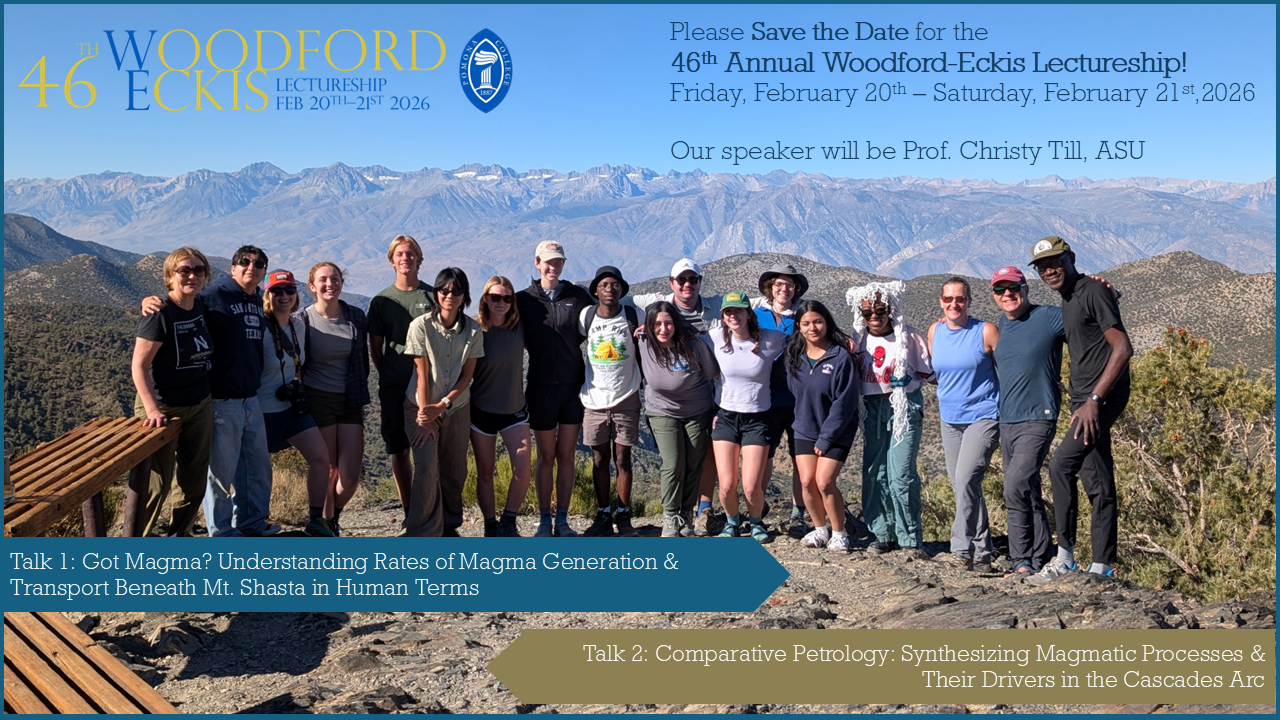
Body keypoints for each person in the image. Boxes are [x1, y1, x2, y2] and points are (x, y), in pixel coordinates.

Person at [146, 245, 274, 537]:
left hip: (250, 398)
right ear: (232, 268)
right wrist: (152, 302)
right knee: (218, 474)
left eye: (259, 264)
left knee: (256, 470)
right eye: (244, 262)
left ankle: (252, 525)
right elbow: (181, 300)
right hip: (220, 399)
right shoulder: (213, 294)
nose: (251, 267)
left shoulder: (255, 297)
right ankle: (221, 532)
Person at [1027, 236, 1133, 584]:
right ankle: (1103, 565)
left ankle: (1065, 558)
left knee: (1060, 466)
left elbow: (1122, 349)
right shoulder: (1072, 297)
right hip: (1083, 398)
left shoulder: (1090, 290)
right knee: (1098, 479)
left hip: (1099, 400)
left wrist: (1094, 401)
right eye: (1042, 266)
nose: (1049, 270)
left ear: (1071, 257)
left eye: (1055, 262)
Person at [130, 247, 215, 536]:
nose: (192, 275)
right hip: (162, 407)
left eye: (198, 270)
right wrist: (152, 410)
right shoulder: (159, 314)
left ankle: (181, 534)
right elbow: (139, 367)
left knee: (194, 478)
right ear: (169, 277)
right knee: (157, 483)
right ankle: (132, 541)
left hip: (199, 403)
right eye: (184, 271)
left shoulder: (201, 305)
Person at [846, 281, 934, 556]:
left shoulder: (908, 337)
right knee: (874, 473)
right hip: (871, 409)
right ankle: (881, 532)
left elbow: (930, 373)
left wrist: (909, 380)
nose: (874, 317)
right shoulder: (858, 339)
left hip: (903, 408)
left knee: (901, 474)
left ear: (891, 309)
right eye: (867, 313)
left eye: (880, 311)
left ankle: (909, 536)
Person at [516, 240, 593, 537]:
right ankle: (544, 520)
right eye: (548, 261)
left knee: (567, 455)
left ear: (563, 264)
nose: (553, 266)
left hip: (573, 386)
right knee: (546, 456)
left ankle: (563, 519)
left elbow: (597, 324)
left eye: (558, 261)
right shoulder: (524, 300)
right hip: (540, 386)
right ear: (537, 263)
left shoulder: (577, 296)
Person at [989, 266, 1060, 576]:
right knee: (1027, 487)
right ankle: (1041, 553)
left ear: (1026, 288)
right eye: (1000, 290)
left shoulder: (1048, 317)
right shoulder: (998, 329)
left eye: (1013, 288)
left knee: (1014, 484)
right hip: (1008, 419)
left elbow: (1090, 325)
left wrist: (1105, 293)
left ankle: (1021, 560)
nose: (1007, 294)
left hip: (1039, 415)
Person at [404, 267, 485, 537]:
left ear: (465, 296)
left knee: (454, 468)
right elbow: (422, 373)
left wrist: (444, 405)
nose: (450, 295)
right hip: (420, 404)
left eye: (457, 291)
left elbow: (467, 376)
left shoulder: (473, 331)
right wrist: (426, 416)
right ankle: (420, 531)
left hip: (457, 406)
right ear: (436, 293)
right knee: (427, 466)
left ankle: (449, 525)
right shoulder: (420, 326)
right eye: (444, 290)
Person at [928, 277, 1000, 572]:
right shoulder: (935, 331)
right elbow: (934, 371)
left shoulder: (985, 331)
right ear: (941, 302)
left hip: (984, 415)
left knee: (966, 478)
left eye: (960, 299)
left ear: (969, 301)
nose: (954, 304)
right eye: (948, 299)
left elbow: (1009, 368)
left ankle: (960, 549)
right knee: (962, 484)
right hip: (949, 419)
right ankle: (983, 550)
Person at [258, 270, 335, 537]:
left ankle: (316, 519)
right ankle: (256, 521)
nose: (284, 296)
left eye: (289, 290)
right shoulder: (259, 326)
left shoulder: (298, 325)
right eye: (277, 291)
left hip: (291, 407)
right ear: (267, 295)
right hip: (262, 409)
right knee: (260, 469)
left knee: (320, 457)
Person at [299, 262, 370, 535]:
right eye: (324, 279)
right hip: (318, 399)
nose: (330, 284)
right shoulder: (302, 320)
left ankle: (331, 518)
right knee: (328, 471)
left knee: (350, 477)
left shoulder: (355, 316)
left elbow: (363, 359)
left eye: (335, 278)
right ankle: (324, 525)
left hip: (350, 398)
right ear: (312, 286)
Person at [637, 301, 718, 537]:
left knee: (693, 463)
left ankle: (685, 515)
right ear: (649, 326)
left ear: (676, 324)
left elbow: (712, 374)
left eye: (669, 322)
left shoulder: (693, 345)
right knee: (673, 463)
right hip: (661, 411)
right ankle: (670, 516)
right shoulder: (644, 342)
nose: (663, 328)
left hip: (697, 411)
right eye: (658, 324)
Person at [786, 300, 861, 552]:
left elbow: (845, 402)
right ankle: (820, 529)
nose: (812, 328)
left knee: (825, 482)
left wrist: (826, 439)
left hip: (836, 431)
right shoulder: (794, 357)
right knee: (807, 482)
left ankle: (839, 533)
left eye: (818, 321)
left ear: (827, 322)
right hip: (804, 428)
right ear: (798, 327)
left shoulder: (841, 357)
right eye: (806, 323)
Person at [368, 235, 435, 515]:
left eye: (410, 253)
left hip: (430, 385)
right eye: (400, 254)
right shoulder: (382, 300)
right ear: (392, 260)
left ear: (419, 258)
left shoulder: (432, 296)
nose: (405, 258)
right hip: (395, 383)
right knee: (398, 447)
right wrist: (389, 373)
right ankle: (410, 510)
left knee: (429, 448)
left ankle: (432, 510)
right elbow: (375, 346)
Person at [712, 291, 787, 543]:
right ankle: (732, 522)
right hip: (726, 418)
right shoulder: (714, 338)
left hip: (757, 418)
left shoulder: (771, 339)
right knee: (726, 485)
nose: (733, 316)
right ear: (723, 316)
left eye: (738, 310)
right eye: (728, 311)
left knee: (752, 487)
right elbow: (681, 335)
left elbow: (807, 339)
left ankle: (756, 522)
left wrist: (844, 341)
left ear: (748, 314)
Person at [579, 266, 644, 537]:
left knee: (623, 458)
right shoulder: (587, 316)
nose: (610, 288)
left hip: (626, 396)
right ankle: (603, 513)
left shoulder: (632, 314)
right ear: (596, 290)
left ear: (622, 290)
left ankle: (624, 514)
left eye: (615, 285)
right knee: (598, 458)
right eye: (604, 284)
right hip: (594, 397)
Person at [471, 276, 533, 537]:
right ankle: (490, 525)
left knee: (522, 469)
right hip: (481, 412)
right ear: (485, 298)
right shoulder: (474, 330)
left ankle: (509, 521)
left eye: (507, 298)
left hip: (514, 410)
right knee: (485, 472)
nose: (501, 302)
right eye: (495, 297)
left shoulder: (519, 327)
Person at [755, 263, 811, 539]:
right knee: (763, 455)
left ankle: (797, 512)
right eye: (778, 284)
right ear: (770, 288)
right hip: (765, 398)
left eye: (789, 285)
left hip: (798, 397)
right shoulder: (756, 315)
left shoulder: (803, 315)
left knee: (799, 456)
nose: (784, 289)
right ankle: (758, 508)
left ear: (795, 288)